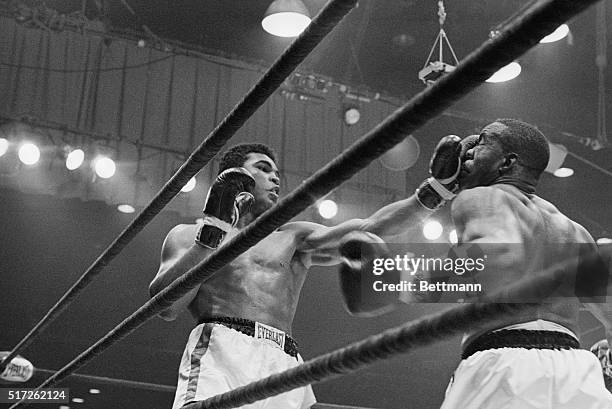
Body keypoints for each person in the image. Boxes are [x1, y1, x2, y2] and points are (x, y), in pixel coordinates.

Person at [149, 137, 474, 409]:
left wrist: (435, 192)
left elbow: (368, 228)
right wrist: (210, 236)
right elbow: (166, 306)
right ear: (234, 176)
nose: (275, 178)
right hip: (222, 347)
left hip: (283, 359)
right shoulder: (186, 235)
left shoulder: (293, 237)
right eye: (263, 169)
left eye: (277, 173)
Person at [339, 119, 612, 408]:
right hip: (577, 370)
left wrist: (396, 281)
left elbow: (494, 259)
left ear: (506, 163)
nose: (466, 151)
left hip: (507, 367)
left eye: (481, 142)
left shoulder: (482, 197)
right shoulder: (575, 230)